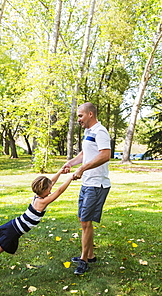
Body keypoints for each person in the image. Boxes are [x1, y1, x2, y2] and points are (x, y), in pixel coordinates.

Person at [0, 169, 73, 255]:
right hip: (15, 229)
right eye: (49, 190)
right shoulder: (42, 202)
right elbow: (59, 191)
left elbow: (51, 183)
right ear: (43, 190)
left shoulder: (37, 197)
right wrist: (70, 178)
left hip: (15, 225)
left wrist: (60, 172)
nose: (50, 192)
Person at [63, 102, 111, 275]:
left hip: (97, 184)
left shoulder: (100, 131)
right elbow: (84, 154)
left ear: (91, 114)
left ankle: (83, 260)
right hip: (87, 183)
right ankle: (89, 255)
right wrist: (71, 163)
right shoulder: (88, 132)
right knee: (83, 219)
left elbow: (105, 155)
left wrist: (82, 169)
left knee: (85, 221)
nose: (79, 119)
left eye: (81, 115)